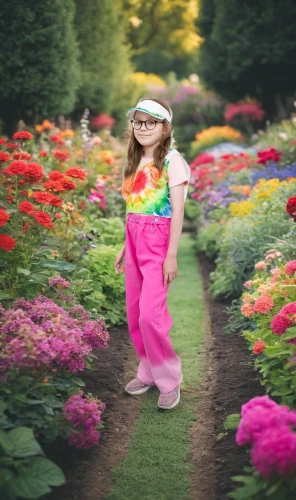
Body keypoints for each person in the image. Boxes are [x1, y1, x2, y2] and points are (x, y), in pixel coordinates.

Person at [114, 97, 191, 410]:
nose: (142, 128)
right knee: (134, 315)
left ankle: (168, 379)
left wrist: (171, 254)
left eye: (151, 122)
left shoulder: (173, 162)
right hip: (133, 239)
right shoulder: (133, 161)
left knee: (150, 316)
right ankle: (147, 371)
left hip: (158, 243)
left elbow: (178, 212)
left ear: (165, 127)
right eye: (138, 121)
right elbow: (134, 208)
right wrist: (124, 245)